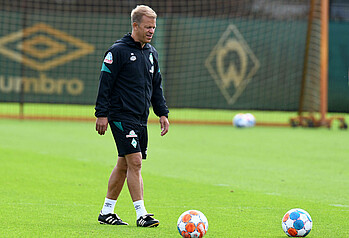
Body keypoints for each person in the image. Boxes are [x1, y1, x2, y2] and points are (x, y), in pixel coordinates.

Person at [94, 5, 169, 227]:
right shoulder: (117, 51)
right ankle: (141, 214)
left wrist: (162, 113)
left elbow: (156, 87)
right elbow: (104, 84)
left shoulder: (152, 53)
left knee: (124, 164)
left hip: (140, 118)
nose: (151, 31)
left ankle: (106, 212)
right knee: (135, 162)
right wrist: (102, 114)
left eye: (154, 27)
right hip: (120, 116)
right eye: (147, 27)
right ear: (135, 25)